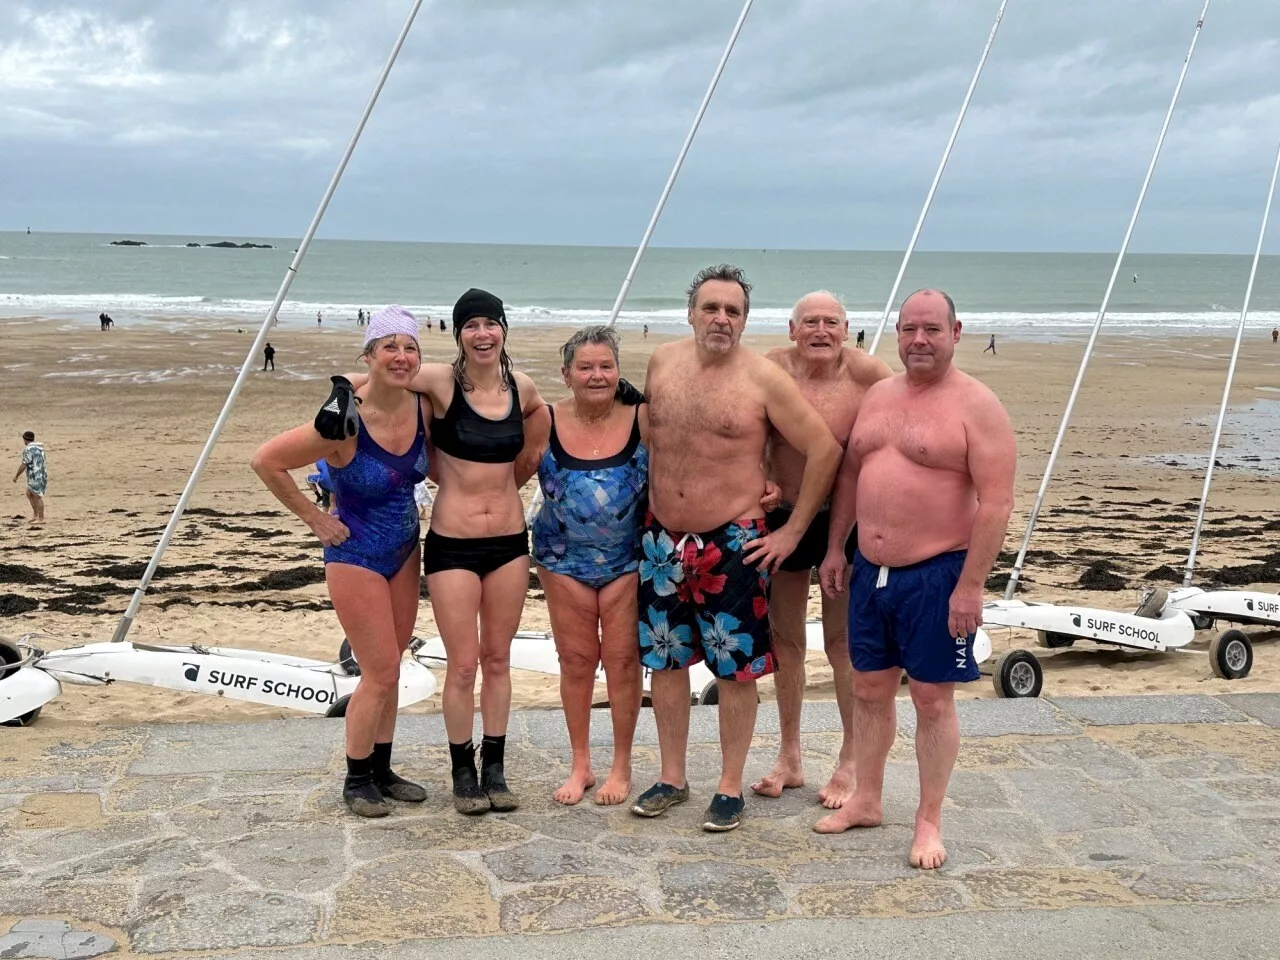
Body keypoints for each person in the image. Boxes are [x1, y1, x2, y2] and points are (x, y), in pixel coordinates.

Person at [314, 288, 547, 816]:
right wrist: (337, 393)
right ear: (458, 333)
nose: (482, 333)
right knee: (463, 665)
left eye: (491, 323)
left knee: (499, 659)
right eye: (471, 325)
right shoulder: (440, 381)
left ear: (504, 329)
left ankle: (495, 768)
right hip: (452, 544)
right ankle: (462, 772)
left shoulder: (524, 387)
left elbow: (542, 424)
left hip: (510, 543)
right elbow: (377, 376)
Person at [632, 264, 842, 833]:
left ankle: (729, 786)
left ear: (745, 320)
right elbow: (658, 437)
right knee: (666, 663)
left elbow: (823, 449)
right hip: (660, 540)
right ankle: (672, 777)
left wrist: (793, 530)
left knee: (736, 670)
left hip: (733, 541)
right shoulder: (662, 363)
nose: (721, 318)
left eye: (733, 311)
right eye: (711, 307)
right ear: (691, 312)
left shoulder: (764, 380)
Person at [814, 289, 1016, 870]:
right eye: (909, 330)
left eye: (931, 329)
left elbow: (997, 503)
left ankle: (928, 820)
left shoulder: (977, 405)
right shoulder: (878, 396)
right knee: (869, 688)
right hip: (869, 573)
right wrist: (836, 548)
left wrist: (971, 586)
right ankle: (868, 799)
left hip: (938, 573)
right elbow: (852, 476)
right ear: (896, 335)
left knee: (932, 698)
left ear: (957, 331)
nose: (919, 340)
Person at [252, 306, 430, 818]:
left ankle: (383, 768)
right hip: (354, 554)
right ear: (369, 355)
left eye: (410, 346)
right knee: (377, 670)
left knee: (394, 668)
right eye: (389, 347)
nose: (401, 356)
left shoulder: (423, 407)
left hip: (404, 550)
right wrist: (315, 518)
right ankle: (355, 779)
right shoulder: (341, 421)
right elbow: (266, 460)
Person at [752, 292, 892, 810]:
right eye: (809, 321)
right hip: (785, 516)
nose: (820, 330)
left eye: (830, 322)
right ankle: (790, 755)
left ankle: (850, 760)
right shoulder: (771, 369)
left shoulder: (868, 376)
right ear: (791, 329)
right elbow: (748, 435)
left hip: (846, 520)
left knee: (842, 645)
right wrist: (759, 478)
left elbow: (900, 428)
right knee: (785, 641)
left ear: (846, 328)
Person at [530, 325, 649, 806]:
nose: (596, 375)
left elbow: (693, 462)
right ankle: (581, 764)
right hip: (561, 560)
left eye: (605, 366)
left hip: (629, 560)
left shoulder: (643, 416)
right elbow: (501, 470)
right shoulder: (544, 419)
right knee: (576, 663)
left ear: (618, 372)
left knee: (623, 664)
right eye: (585, 367)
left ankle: (621, 765)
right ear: (566, 374)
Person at [13, 431, 47, 524]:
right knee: (29, 493)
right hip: (41, 474)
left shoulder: (29, 449)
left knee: (37, 496)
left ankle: (41, 518)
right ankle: (35, 515)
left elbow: (24, 464)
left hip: (36, 475)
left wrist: (16, 476)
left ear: (25, 439)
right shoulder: (39, 447)